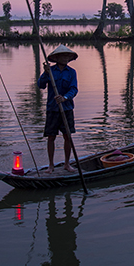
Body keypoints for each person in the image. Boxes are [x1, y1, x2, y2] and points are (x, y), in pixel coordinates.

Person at [39, 45, 78, 173]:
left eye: (67, 56)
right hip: (52, 109)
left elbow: (73, 89)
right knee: (51, 137)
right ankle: (51, 165)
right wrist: (45, 73)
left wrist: (65, 97)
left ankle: (67, 164)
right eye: (63, 56)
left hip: (66, 108)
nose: (66, 58)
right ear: (57, 58)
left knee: (68, 136)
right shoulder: (50, 71)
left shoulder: (71, 72)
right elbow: (41, 85)